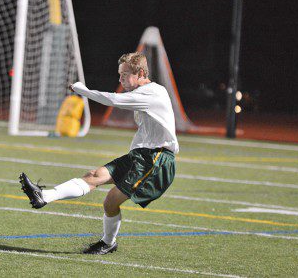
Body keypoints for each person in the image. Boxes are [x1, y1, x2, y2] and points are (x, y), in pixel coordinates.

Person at [19, 51, 179, 255]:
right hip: (140, 156)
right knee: (93, 176)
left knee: (111, 200)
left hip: (157, 160)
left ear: (140, 73)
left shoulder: (153, 92)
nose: (120, 79)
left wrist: (83, 91)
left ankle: (108, 242)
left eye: (124, 74)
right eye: (119, 74)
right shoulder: (142, 93)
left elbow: (113, 100)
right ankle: (44, 196)